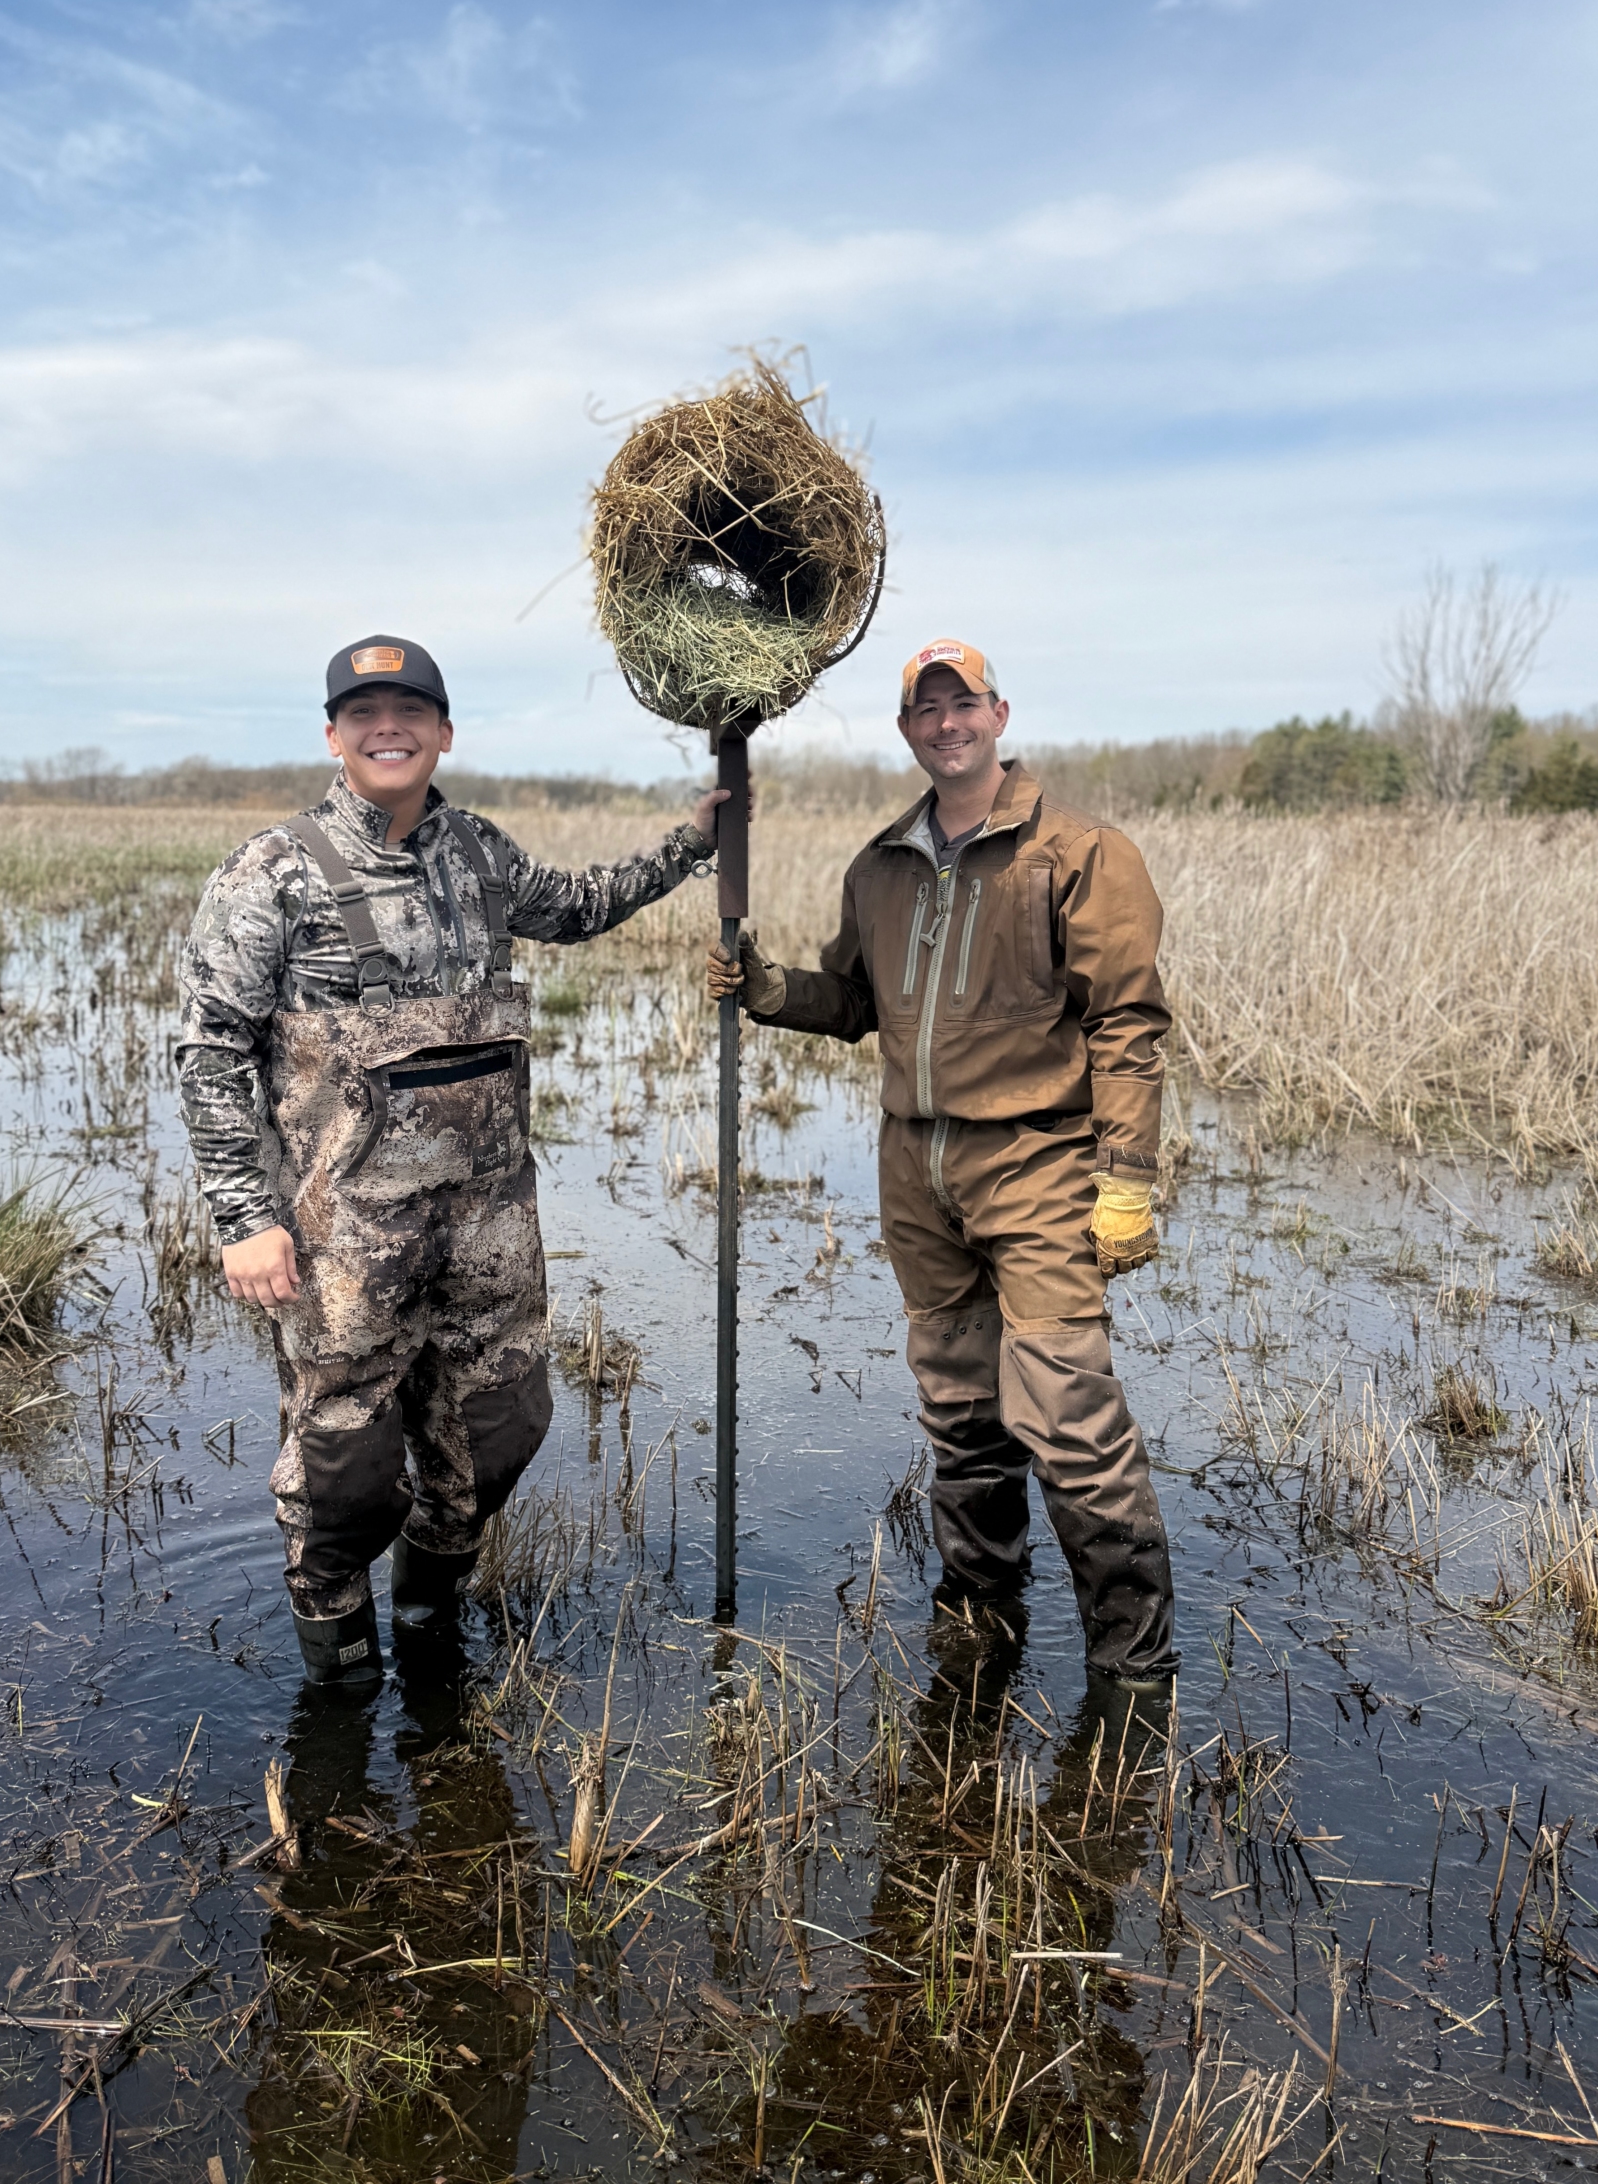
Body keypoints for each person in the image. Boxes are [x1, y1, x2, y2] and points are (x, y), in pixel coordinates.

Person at [177, 634, 728, 1690]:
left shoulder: (478, 852)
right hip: (348, 1245)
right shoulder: (272, 871)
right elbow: (210, 1050)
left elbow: (579, 903)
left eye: (410, 711)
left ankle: (432, 1618)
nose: (389, 729)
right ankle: (340, 1689)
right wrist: (244, 1216)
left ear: (442, 732)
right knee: (347, 1476)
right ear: (333, 736)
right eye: (365, 713)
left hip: (488, 1231)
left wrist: (691, 844)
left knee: (503, 1428)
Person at [706, 638, 1178, 1689]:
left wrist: (1126, 1176)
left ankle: (1135, 1667)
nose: (946, 723)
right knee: (961, 1404)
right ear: (908, 728)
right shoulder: (879, 867)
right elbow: (856, 1002)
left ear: (999, 715)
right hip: (918, 1171)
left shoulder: (1082, 854)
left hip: (1039, 1163)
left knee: (1069, 1413)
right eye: (927, 709)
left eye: (963, 704)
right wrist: (768, 988)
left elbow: (1129, 1022)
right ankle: (981, 1613)